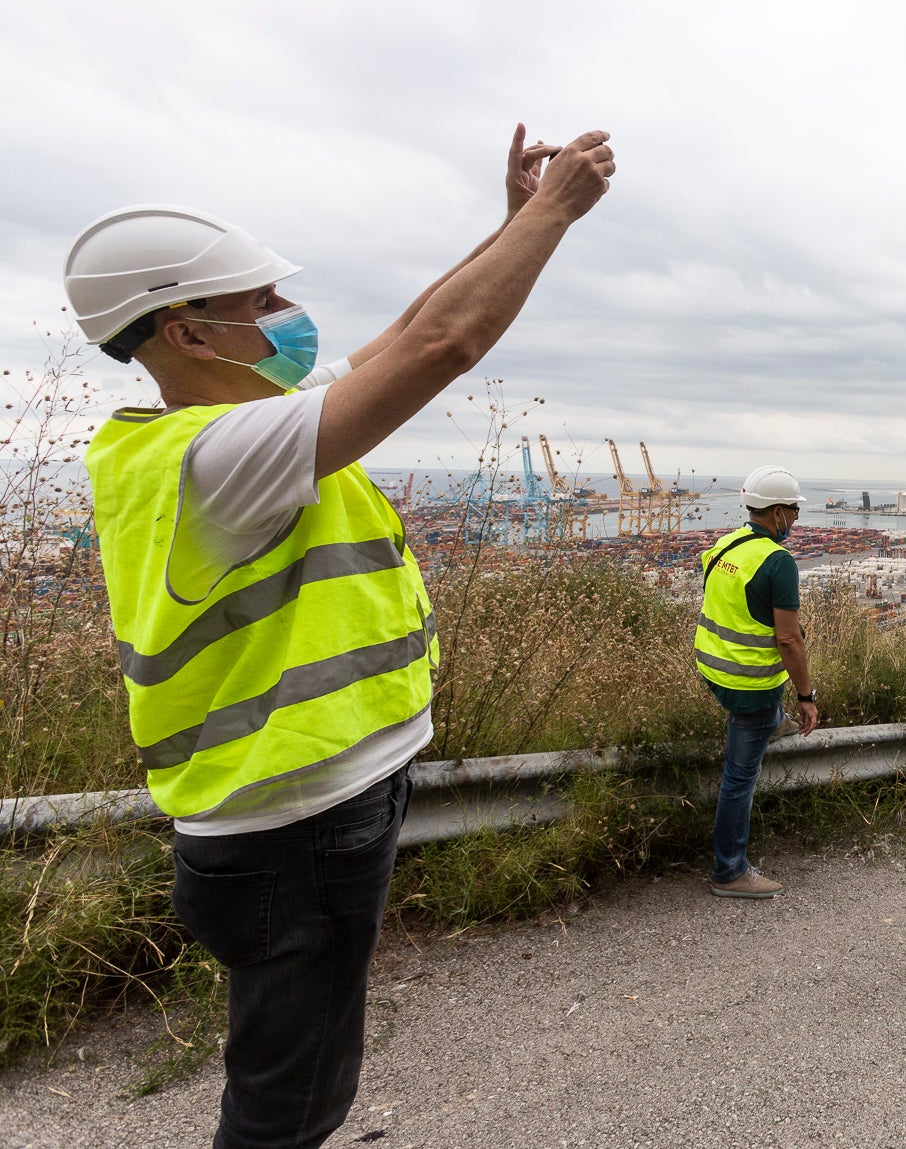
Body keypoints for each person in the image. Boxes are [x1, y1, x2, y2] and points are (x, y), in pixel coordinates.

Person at [68, 124, 615, 1149]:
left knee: (291, 1077)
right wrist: (554, 215)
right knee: (290, 1104)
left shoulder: (223, 431)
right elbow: (438, 348)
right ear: (185, 334)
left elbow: (405, 329)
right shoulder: (223, 456)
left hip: (285, 811)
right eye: (261, 304)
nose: (291, 316)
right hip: (294, 825)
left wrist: (505, 228)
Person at [695, 465, 820, 899]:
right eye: (794, 511)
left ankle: (774, 719)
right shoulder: (778, 562)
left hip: (712, 667)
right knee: (739, 778)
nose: (798, 520)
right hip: (747, 683)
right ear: (778, 512)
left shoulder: (724, 544)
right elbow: (789, 640)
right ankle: (729, 872)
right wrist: (807, 697)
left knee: (768, 718)